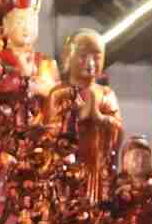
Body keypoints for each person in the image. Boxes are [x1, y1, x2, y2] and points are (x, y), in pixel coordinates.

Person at [43, 29, 123, 206]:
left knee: (95, 212)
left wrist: (99, 118)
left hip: (95, 165)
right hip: (67, 166)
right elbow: (50, 131)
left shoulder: (106, 94)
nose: (91, 63)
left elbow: (117, 130)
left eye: (96, 57)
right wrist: (77, 118)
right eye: (83, 56)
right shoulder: (59, 93)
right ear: (68, 57)